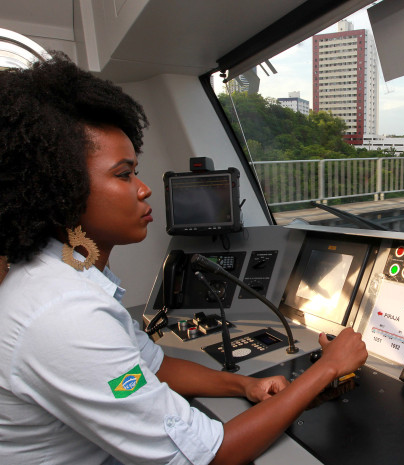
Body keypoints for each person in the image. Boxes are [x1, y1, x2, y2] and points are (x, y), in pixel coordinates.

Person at [0, 53, 368, 465]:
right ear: (60, 187)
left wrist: (242, 387)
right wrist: (328, 369)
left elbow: (153, 367)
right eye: (123, 175)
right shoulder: (63, 314)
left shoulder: (70, 275)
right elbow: (214, 456)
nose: (143, 190)